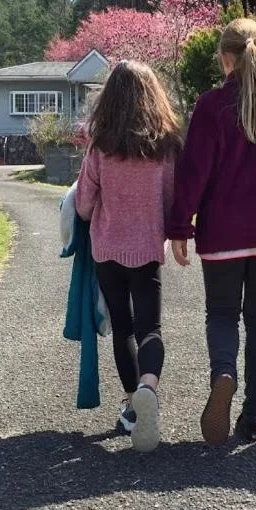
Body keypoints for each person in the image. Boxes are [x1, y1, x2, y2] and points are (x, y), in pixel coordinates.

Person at [168, 18, 256, 445]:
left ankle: (224, 373)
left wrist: (179, 226)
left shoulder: (210, 107)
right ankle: (255, 418)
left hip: (223, 233)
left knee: (223, 314)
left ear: (224, 58)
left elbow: (194, 173)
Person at [75, 60, 182, 453]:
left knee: (123, 328)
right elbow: (173, 202)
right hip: (149, 248)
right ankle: (148, 388)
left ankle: (131, 405)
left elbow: (85, 205)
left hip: (107, 249)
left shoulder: (100, 144)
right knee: (150, 328)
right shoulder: (167, 145)